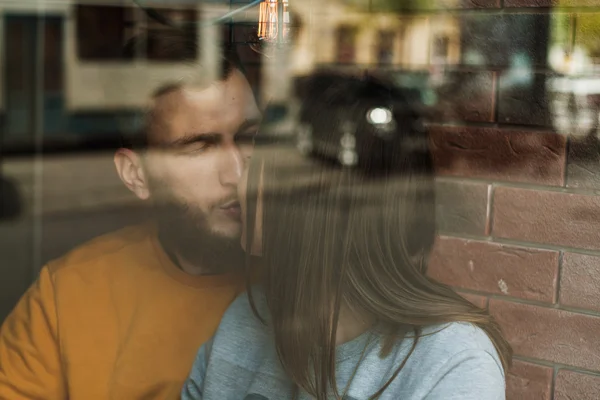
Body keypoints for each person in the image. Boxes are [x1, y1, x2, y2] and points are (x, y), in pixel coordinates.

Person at [182, 72, 512, 400]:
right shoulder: (244, 320)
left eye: (257, 164)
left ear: (310, 201)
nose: (239, 182)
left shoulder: (452, 363)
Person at [0, 45, 262, 398]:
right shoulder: (68, 296)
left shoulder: (305, 285)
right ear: (136, 175)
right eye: (200, 147)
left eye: (249, 138)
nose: (237, 171)